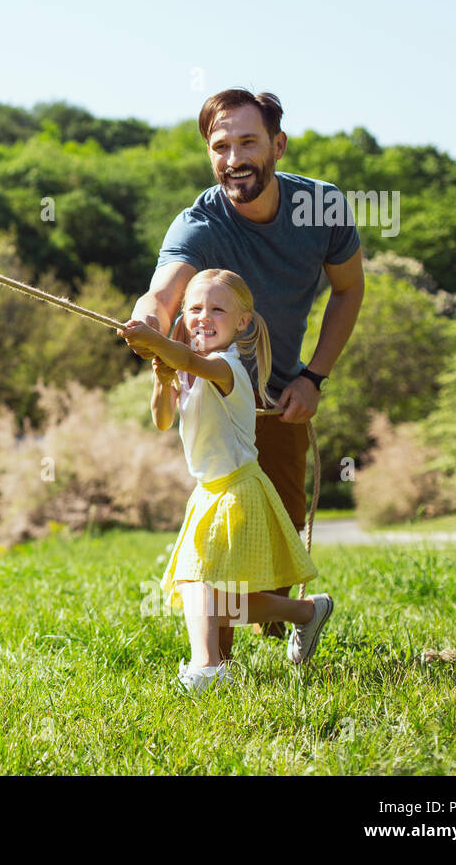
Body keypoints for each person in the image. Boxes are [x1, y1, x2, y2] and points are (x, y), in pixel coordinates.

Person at [128, 89, 363, 656]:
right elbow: (161, 295)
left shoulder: (322, 206)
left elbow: (349, 289)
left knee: (270, 556)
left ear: (277, 145)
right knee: (221, 557)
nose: (234, 157)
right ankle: (214, 665)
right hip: (218, 394)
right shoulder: (199, 222)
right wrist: (147, 323)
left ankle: (294, 615)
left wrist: (313, 377)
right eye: (221, 146)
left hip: (280, 396)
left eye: (248, 142)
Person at [119, 270, 334, 691]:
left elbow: (190, 360)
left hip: (238, 490)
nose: (204, 317)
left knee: (195, 582)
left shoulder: (226, 366)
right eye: (194, 308)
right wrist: (163, 379)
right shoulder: (184, 369)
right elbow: (163, 420)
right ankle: (308, 613)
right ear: (184, 315)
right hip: (208, 492)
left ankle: (208, 668)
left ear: (243, 322)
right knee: (222, 601)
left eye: (218, 308)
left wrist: (159, 342)